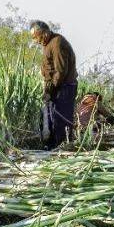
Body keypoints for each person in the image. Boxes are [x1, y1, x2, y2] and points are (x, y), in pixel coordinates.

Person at [29, 20, 78, 148]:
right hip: (56, 87)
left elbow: (60, 71)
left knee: (61, 121)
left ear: (44, 33)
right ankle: (52, 147)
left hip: (64, 87)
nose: (35, 41)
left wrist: (50, 90)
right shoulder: (48, 44)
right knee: (51, 119)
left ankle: (63, 148)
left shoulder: (57, 43)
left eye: (36, 37)